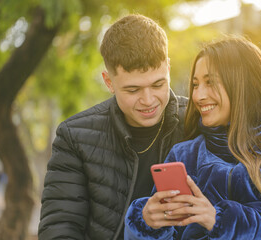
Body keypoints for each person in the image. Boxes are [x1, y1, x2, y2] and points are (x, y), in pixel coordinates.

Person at [124, 36, 261, 239]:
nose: (197, 96)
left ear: (243, 84)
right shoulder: (184, 154)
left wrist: (221, 220)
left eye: (210, 82)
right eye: (196, 84)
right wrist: (148, 224)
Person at [38, 14, 187, 240]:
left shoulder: (199, 119)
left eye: (158, 84)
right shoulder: (74, 136)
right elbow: (59, 230)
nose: (148, 100)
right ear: (109, 82)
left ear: (168, 67)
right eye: (133, 90)